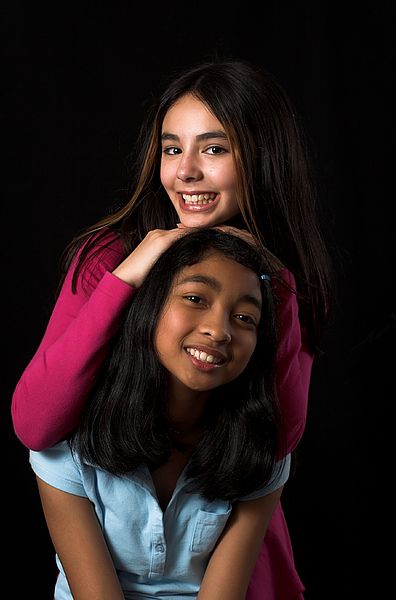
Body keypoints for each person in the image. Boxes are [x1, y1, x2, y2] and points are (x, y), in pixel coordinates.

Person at [12, 58, 332, 599]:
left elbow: (274, 443)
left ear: (261, 160)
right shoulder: (108, 258)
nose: (184, 172)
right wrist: (129, 275)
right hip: (112, 544)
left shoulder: (280, 280)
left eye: (213, 148)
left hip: (222, 552)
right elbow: (36, 425)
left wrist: (276, 287)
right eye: (171, 148)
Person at [31, 228, 291, 600]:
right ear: (149, 307)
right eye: (195, 298)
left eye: (245, 318)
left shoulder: (261, 450)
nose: (219, 331)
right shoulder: (66, 445)